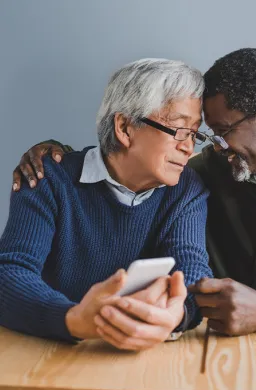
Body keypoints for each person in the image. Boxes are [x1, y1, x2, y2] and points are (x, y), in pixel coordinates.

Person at [12, 48, 256, 336]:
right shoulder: (197, 173)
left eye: (221, 131)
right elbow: (11, 272)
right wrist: (50, 156)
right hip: (187, 350)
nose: (204, 146)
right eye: (199, 133)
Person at [0, 58, 213, 349]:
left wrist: (176, 315)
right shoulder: (47, 178)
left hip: (144, 353)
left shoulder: (186, 189)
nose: (188, 146)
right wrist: (74, 319)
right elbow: (9, 274)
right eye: (178, 129)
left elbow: (193, 273)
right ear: (125, 128)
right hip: (48, 349)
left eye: (194, 134)